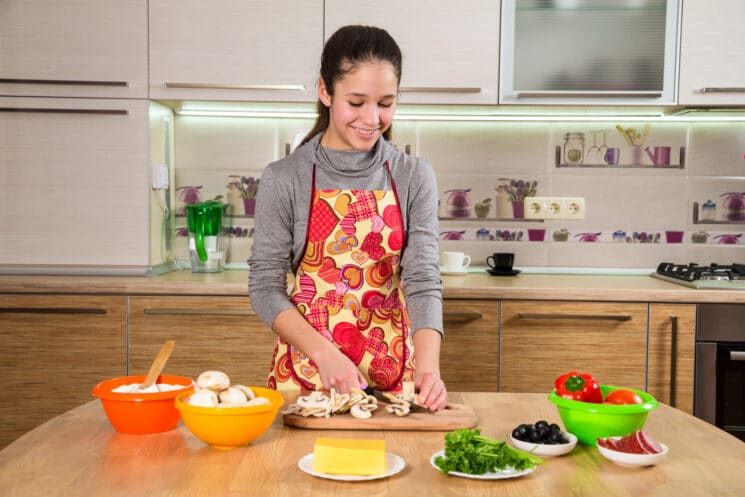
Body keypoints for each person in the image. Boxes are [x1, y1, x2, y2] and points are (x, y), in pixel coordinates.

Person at [248, 25, 447, 411]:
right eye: (356, 102)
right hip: (309, 377)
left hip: (395, 380)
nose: (372, 118)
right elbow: (264, 287)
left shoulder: (413, 175)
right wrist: (326, 356)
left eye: (385, 103)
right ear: (325, 91)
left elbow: (422, 278)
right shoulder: (285, 177)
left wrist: (428, 368)